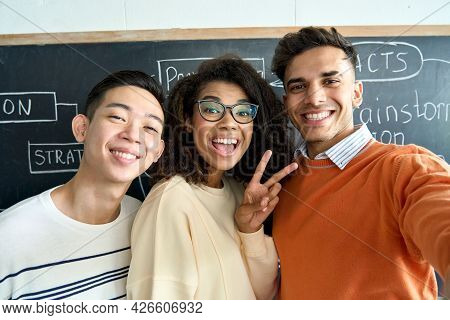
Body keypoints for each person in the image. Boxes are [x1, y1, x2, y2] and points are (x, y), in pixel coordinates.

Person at [263, 26, 449, 299]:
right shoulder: (281, 185)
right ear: (286, 102)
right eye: (299, 86)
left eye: (331, 81)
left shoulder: (406, 169)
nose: (314, 97)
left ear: (357, 93)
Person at [127, 55, 297, 300]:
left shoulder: (240, 194)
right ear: (187, 120)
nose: (229, 123)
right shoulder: (171, 201)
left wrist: (250, 231)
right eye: (211, 109)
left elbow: (264, 294)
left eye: (243, 111)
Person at [0, 70, 166, 300]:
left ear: (157, 151)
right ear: (82, 128)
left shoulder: (144, 221)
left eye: (150, 128)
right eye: (118, 117)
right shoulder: (9, 237)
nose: (133, 135)